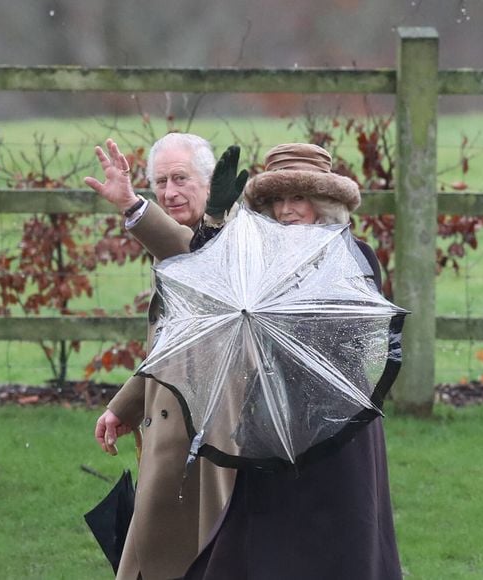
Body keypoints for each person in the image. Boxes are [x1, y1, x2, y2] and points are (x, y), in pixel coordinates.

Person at [183, 143, 403, 580]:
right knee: (262, 538)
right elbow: (206, 277)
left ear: (322, 202)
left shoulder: (353, 256)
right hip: (269, 415)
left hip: (338, 423)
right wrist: (213, 222)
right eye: (275, 200)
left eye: (297, 198)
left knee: (341, 540)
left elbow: (346, 340)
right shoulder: (254, 254)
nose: (285, 211)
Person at [84, 133, 247, 580]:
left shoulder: (234, 237)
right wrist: (126, 405)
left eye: (180, 178)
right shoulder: (186, 240)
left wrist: (134, 207)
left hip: (211, 441)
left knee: (204, 561)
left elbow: (195, 259)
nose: (170, 191)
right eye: (160, 182)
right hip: (170, 441)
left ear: (211, 181)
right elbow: (172, 348)